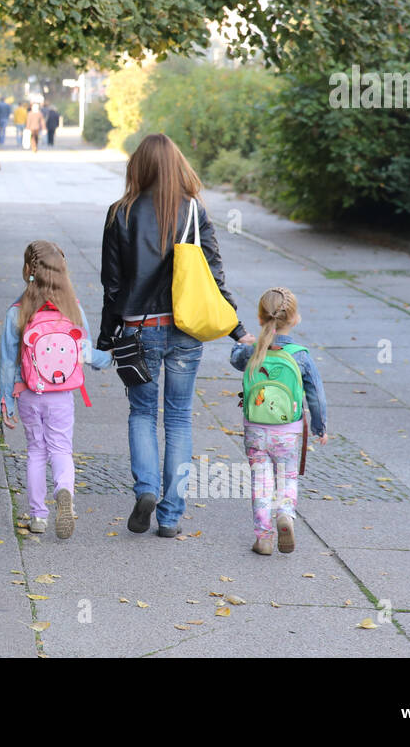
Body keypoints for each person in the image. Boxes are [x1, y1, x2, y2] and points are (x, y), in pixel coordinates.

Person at [98, 133, 253, 538]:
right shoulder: (193, 212)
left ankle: (146, 489)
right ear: (177, 165)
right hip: (186, 329)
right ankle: (170, 516)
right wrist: (238, 330)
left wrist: (104, 338)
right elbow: (214, 276)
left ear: (139, 167)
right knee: (180, 419)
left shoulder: (120, 212)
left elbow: (112, 287)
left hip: (138, 329)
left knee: (142, 413)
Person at [0, 241, 112, 539]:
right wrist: (107, 359)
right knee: (61, 449)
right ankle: (64, 491)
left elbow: (8, 363)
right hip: (61, 395)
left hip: (28, 394)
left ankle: (38, 517)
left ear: (27, 271)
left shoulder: (17, 313)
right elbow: (85, 352)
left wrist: (5, 400)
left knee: (36, 451)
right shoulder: (72, 310)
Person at [229, 287, 328, 555]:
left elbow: (235, 360)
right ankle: (285, 514)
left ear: (261, 318)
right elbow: (316, 395)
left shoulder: (253, 351)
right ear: (295, 319)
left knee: (261, 482)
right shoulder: (301, 355)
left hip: (256, 430)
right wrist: (319, 427)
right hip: (288, 431)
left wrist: (242, 342)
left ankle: (263, 537)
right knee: (287, 477)